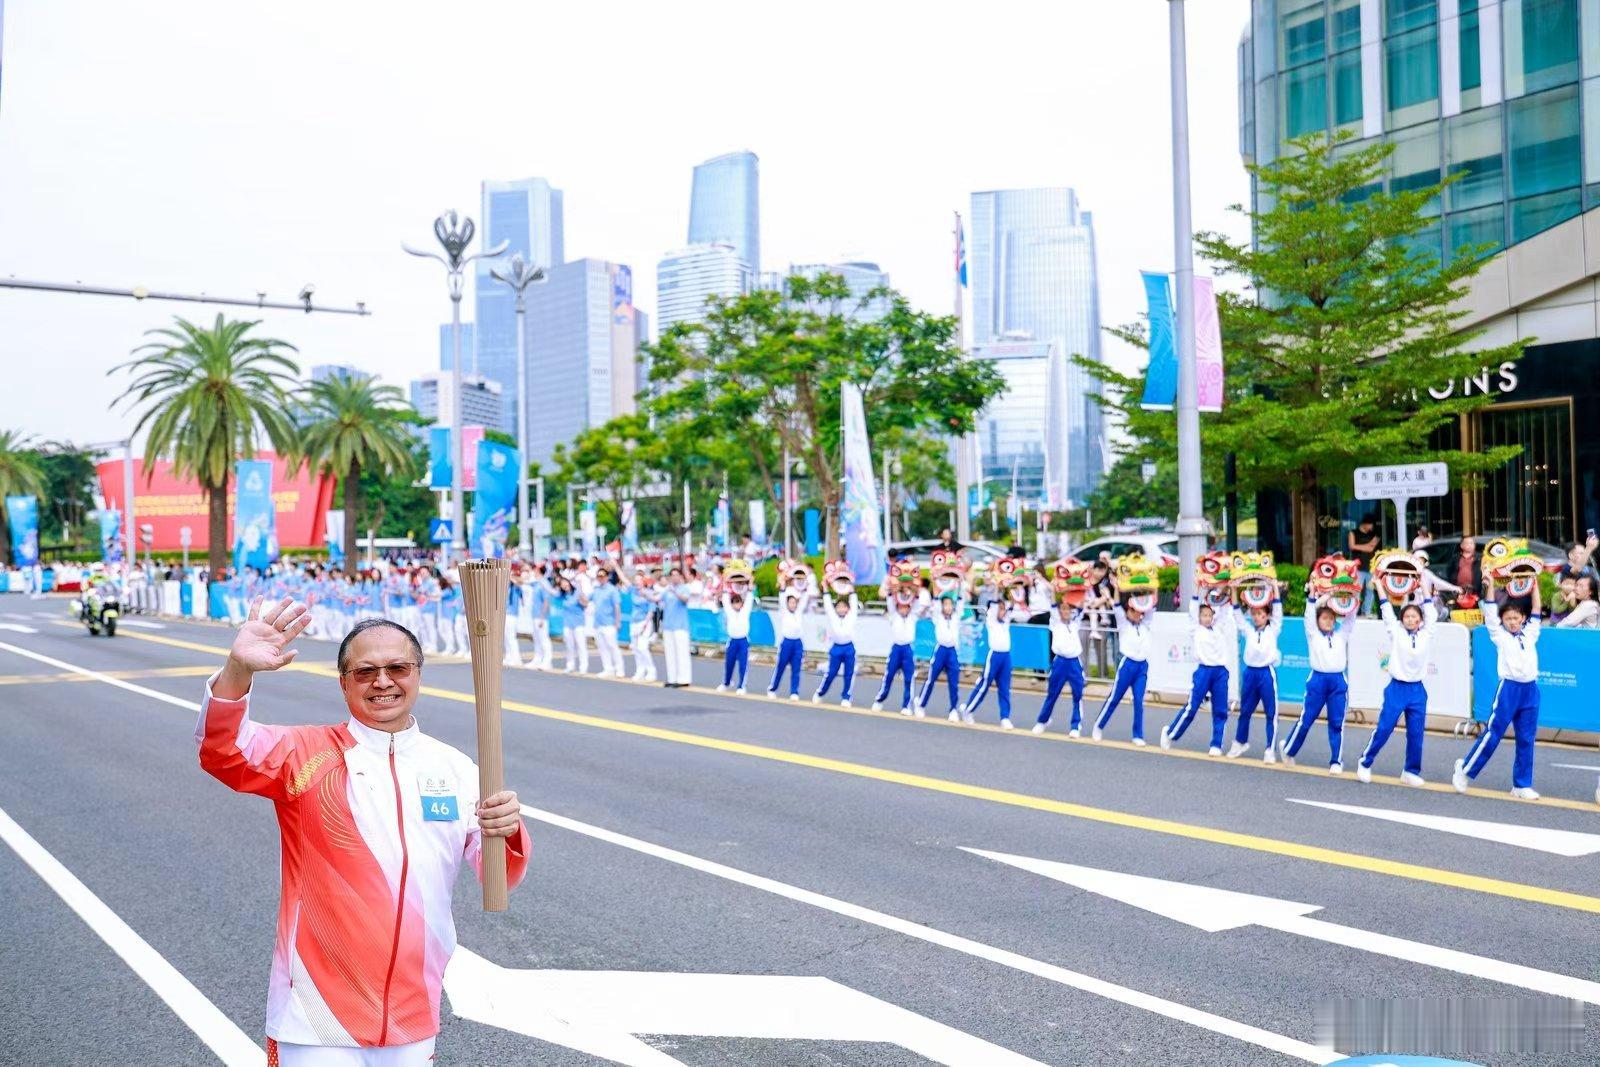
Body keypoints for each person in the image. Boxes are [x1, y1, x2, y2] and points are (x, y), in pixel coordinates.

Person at [197, 601, 529, 1066]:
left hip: (413, 1009)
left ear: (417, 674)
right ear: (344, 682)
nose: (383, 681)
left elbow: (499, 875)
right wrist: (237, 669)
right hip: (316, 1014)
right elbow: (223, 753)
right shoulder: (303, 753)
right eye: (365, 671)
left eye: (398, 667)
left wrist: (507, 830)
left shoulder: (456, 769)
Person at [1453, 575, 1542, 799]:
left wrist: (1534, 586)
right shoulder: (1500, 635)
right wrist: (1490, 585)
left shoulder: (1530, 633)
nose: (1512, 621)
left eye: (1516, 618)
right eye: (1508, 618)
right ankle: (1464, 770)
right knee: (1493, 734)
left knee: (1526, 738)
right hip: (1509, 689)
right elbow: (1491, 612)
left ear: (1522, 618)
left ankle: (1521, 784)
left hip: (1530, 690)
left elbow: (1537, 609)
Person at [1357, 595, 1437, 785]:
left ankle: (1410, 771)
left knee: (1416, 733)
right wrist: (1378, 584)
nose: (1410, 619)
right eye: (1406, 616)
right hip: (1397, 688)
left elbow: (1431, 611)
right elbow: (1386, 610)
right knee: (1384, 728)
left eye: (1414, 616)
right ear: (1402, 620)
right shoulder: (1396, 631)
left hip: (1417, 690)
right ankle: (1365, 762)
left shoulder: (1427, 633)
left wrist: (1423, 585)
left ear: (1420, 619)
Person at [1281, 596, 1353, 773]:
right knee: (1306, 720)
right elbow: (1309, 613)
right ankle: (1289, 750)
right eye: (1324, 618)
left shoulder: (1341, 635)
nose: (1328, 621)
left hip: (1337, 681)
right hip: (1318, 681)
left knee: (1337, 723)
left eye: (1331, 618)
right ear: (1318, 620)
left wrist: (1350, 595)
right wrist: (1324, 595)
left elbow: (1351, 617)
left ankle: (1336, 761)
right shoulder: (1312, 633)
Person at [1161, 595, 1236, 755]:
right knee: (1192, 707)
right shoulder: (1195, 628)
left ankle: (1216, 744)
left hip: (1220, 671)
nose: (1207, 618)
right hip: (1203, 671)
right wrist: (1196, 590)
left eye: (1210, 615)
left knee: (1221, 709)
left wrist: (1230, 589)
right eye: (1204, 615)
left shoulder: (1219, 626)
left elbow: (1225, 607)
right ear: (1199, 617)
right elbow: (1193, 608)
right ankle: (1170, 734)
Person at [1091, 595, 1152, 745]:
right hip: (1127, 665)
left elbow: (1152, 605)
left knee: (1139, 701)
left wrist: (1152, 587)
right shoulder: (1123, 623)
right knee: (1115, 698)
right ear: (1127, 612)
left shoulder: (1146, 623)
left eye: (1138, 611)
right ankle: (1098, 726)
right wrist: (1117, 588)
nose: (1136, 613)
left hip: (1142, 666)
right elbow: (1117, 606)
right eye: (1132, 610)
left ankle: (1138, 735)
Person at [1230, 591, 1283, 762]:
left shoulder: (1273, 629)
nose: (1257, 617)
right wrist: (1233, 590)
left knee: (1271, 713)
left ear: (1267, 616)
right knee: (1245, 711)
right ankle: (1240, 742)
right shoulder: (1247, 630)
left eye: (1261, 614)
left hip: (1266, 673)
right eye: (1254, 614)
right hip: (1250, 673)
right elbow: (1237, 613)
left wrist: (1274, 587)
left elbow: (1278, 609)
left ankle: (1270, 749)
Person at [960, 590, 1019, 726]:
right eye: (1000, 609)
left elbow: (1014, 602)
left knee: (1004, 688)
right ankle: (968, 710)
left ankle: (1005, 717)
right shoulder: (991, 619)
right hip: (994, 656)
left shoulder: (1006, 620)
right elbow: (993, 603)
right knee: (984, 685)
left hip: (1006, 657)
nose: (1002, 612)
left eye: (1004, 609)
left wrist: (1010, 588)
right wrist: (998, 586)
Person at [1032, 597, 1085, 736]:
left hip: (1074, 662)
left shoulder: (1075, 622)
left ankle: (1075, 725)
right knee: (1052, 693)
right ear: (1060, 611)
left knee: (1078, 694)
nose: (1066, 612)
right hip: (1060, 662)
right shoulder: (1055, 622)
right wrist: (1056, 587)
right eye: (1063, 609)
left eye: (1068, 609)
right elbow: (1054, 603)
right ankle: (1042, 721)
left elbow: (1081, 604)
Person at [916, 593, 963, 718]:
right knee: (931, 679)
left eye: (950, 605)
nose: (948, 607)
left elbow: (961, 599)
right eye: (945, 605)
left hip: (952, 651)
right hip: (941, 650)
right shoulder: (938, 617)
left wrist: (960, 583)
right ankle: (920, 704)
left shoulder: (956, 617)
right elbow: (936, 601)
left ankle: (953, 709)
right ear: (942, 606)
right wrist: (937, 589)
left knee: (953, 682)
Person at [872, 594, 919, 715]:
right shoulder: (894, 615)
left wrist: (914, 591)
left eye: (906, 607)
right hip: (896, 649)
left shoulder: (913, 616)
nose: (903, 610)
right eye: (901, 607)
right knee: (889, 676)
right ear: (897, 608)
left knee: (909, 678)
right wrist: (892, 590)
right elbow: (890, 602)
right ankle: (879, 700)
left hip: (908, 649)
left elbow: (917, 603)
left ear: (909, 608)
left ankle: (907, 705)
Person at [812, 590, 861, 707]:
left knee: (849, 673)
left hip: (849, 647)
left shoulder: (852, 615)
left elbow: (854, 603)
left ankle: (846, 697)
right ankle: (820, 693)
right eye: (838, 607)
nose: (841, 609)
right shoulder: (832, 616)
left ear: (848, 609)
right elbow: (828, 605)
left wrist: (852, 590)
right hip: (836, 648)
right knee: (831, 673)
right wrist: (825, 591)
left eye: (844, 607)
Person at [767, 586, 809, 701]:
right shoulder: (784, 611)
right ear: (787, 604)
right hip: (786, 643)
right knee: (781, 667)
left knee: (796, 668)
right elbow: (781, 599)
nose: (792, 604)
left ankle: (794, 692)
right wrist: (782, 586)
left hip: (797, 643)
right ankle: (772, 689)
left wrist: (805, 586)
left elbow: (805, 599)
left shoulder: (799, 611)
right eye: (790, 602)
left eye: (794, 602)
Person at [658, 568, 693, 688]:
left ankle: (684, 679)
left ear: (680, 576)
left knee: (681, 652)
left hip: (681, 626)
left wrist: (675, 593)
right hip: (668, 625)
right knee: (670, 653)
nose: (674, 577)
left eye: (676, 575)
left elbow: (685, 600)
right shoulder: (667, 590)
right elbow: (657, 599)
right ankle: (672, 678)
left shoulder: (684, 588)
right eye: (672, 575)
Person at [589, 568, 625, 678]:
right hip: (598, 624)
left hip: (609, 623)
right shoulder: (596, 590)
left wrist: (618, 622)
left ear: (607, 577)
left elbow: (617, 606)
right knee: (602, 648)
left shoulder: (612, 590)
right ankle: (608, 668)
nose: (600, 578)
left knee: (613, 647)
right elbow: (586, 600)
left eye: (602, 576)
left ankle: (619, 669)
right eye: (598, 576)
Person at [717, 587, 753, 694]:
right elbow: (725, 601)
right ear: (732, 604)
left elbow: (749, 600)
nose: (737, 605)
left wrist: (750, 589)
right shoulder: (729, 612)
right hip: (732, 640)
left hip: (743, 641)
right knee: (729, 663)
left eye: (739, 602)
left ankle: (741, 686)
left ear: (742, 603)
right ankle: (726, 683)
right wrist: (726, 587)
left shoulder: (745, 611)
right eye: (734, 603)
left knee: (743, 664)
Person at [630, 569, 659, 681]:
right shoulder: (633, 591)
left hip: (644, 622)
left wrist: (645, 623)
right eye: (635, 580)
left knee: (642, 647)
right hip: (634, 622)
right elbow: (623, 579)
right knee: (636, 649)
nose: (637, 582)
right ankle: (640, 671)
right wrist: (616, 566)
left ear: (643, 581)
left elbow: (651, 610)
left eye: (639, 580)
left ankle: (651, 671)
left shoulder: (649, 593)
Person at [554, 576, 588, 673]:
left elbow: (585, 603)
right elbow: (552, 592)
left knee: (581, 645)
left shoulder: (577, 592)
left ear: (569, 583)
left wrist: (581, 590)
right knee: (569, 646)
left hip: (578, 623)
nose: (564, 585)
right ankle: (570, 665)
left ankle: (583, 667)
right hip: (567, 624)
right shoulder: (562, 595)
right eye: (562, 584)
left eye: (565, 582)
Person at [1349, 515, 1380, 614]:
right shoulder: (1353, 533)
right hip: (1358, 567)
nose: (1371, 528)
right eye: (1371, 525)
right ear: (1366, 523)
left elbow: (1371, 548)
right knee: (1356, 590)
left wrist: (1358, 546)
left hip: (1371, 567)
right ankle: (1354, 611)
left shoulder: (1374, 535)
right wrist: (1367, 545)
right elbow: (1351, 546)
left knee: (1370, 591)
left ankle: (1367, 611)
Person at [527, 563, 553, 670]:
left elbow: (546, 601)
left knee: (543, 639)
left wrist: (542, 617)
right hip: (535, 615)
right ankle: (537, 658)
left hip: (541, 617)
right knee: (537, 639)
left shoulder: (544, 584)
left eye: (535, 569)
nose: (534, 571)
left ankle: (547, 661)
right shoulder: (537, 583)